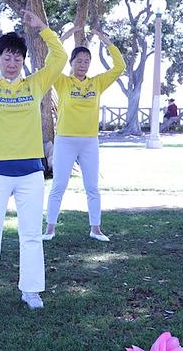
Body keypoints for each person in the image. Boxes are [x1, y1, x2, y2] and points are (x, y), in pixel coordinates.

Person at [0, 5, 69, 311]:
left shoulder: (34, 84)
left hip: (30, 172)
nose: (12, 62)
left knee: (31, 234)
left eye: (17, 57)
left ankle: (31, 290)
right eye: (7, 56)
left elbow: (59, 58)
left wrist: (41, 27)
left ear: (23, 61)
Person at [43, 23, 124, 242]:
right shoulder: (62, 82)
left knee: (92, 188)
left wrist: (105, 40)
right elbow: (50, 62)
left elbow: (119, 67)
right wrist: (64, 37)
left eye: (87, 61)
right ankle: (50, 228)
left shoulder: (96, 83)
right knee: (59, 185)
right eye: (79, 61)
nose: (83, 65)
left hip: (89, 141)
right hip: (65, 141)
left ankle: (95, 229)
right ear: (71, 63)